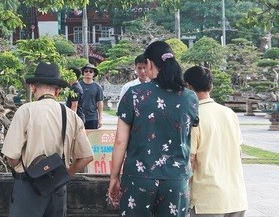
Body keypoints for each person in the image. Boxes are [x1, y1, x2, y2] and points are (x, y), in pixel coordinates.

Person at [108, 40, 199, 216]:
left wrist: (114, 177)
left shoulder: (134, 95)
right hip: (176, 178)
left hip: (139, 178)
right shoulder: (190, 98)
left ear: (149, 63)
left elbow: (120, 141)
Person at [2, 62, 94, 217]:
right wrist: (66, 174)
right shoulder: (71, 116)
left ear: (33, 87)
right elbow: (87, 157)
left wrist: (27, 168)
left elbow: (11, 157)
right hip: (56, 188)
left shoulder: (25, 111)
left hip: (27, 185)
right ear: (58, 91)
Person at [183, 66, 247, 217]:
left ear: (188, 87)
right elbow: (238, 151)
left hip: (208, 200)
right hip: (236, 197)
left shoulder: (193, 117)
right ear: (210, 86)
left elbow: (190, 159)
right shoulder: (229, 114)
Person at [79, 63, 104, 129]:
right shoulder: (78, 86)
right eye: (86, 71)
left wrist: (100, 118)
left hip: (92, 118)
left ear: (94, 74)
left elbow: (100, 103)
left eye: (90, 71)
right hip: (79, 117)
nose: (88, 73)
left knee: (92, 138)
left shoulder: (97, 87)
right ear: (83, 73)